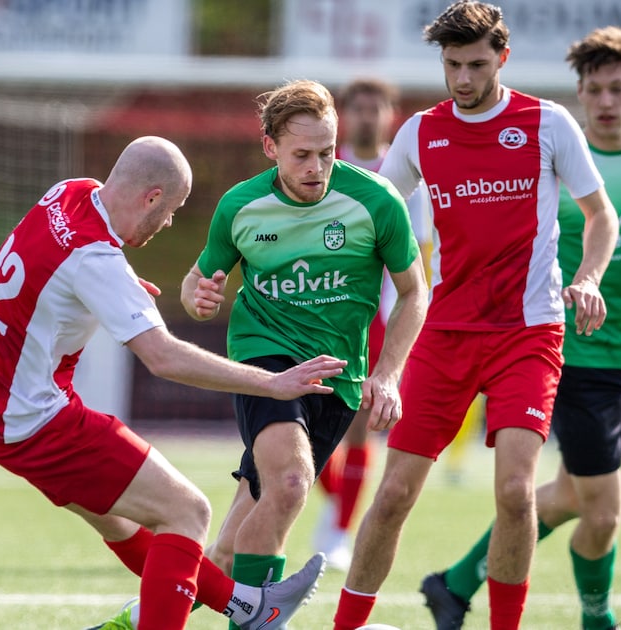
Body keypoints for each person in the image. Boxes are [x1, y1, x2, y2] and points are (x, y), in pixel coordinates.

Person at [0, 136, 340, 630]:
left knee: (130, 523)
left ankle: (251, 607)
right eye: (173, 209)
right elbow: (163, 357)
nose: (171, 222)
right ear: (152, 198)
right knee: (188, 512)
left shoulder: (69, 193)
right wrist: (274, 383)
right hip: (29, 417)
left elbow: (49, 262)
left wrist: (119, 285)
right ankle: (251, 608)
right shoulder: (96, 260)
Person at [331, 3, 621, 629]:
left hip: (530, 332)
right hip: (444, 333)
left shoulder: (547, 123)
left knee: (517, 496)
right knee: (394, 496)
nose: (462, 79)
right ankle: (346, 625)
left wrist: (589, 277)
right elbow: (371, 217)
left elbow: (602, 215)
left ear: (502, 59)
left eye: (476, 65)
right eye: (452, 65)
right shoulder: (420, 133)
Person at [421, 26, 621, 630]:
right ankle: (597, 621)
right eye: (594, 90)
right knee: (602, 512)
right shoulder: (559, 154)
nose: (605, 101)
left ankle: (455, 582)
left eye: (617, 89)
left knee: (572, 495)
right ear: (580, 94)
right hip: (569, 353)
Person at [181, 79, 428, 621]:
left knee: (234, 540)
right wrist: (199, 297)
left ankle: (150, 612)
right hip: (263, 360)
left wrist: (387, 374)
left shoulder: (376, 200)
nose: (317, 167)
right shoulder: (241, 206)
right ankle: (261, 618)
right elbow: (199, 279)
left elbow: (415, 292)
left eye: (326, 152)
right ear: (270, 147)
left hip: (338, 377)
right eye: (301, 155)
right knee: (291, 485)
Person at [310, 76, 428, 570]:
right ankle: (336, 504)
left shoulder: (407, 180)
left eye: (374, 107)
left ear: (390, 115)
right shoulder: (321, 171)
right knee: (306, 428)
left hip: (374, 318)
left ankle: (339, 530)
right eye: (356, 107)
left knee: (356, 428)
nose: (365, 116)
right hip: (318, 315)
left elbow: (420, 257)